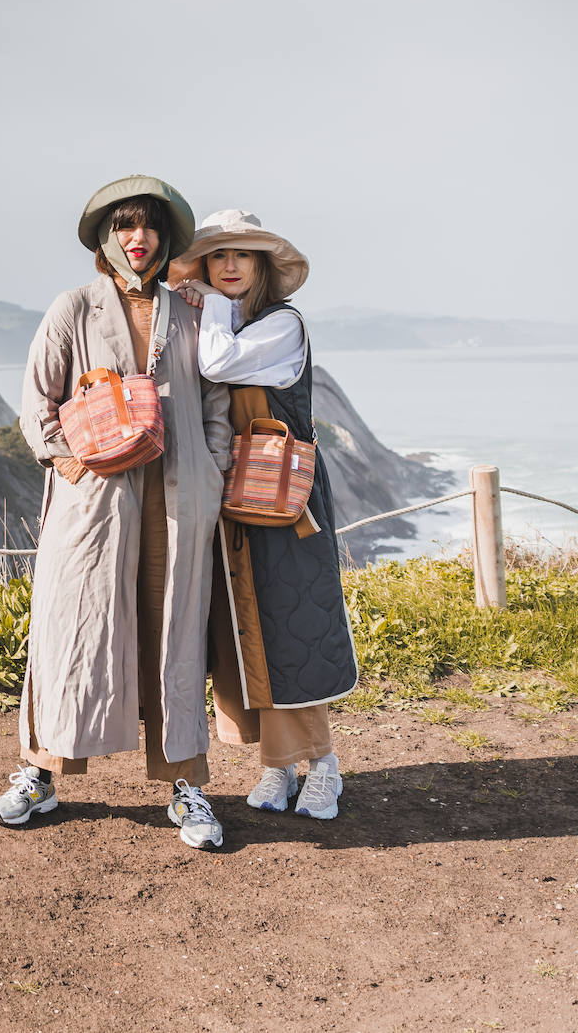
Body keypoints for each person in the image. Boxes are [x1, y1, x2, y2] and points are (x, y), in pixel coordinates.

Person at [0, 176, 232, 849]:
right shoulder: (74, 308)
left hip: (177, 502)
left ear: (166, 238)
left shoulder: (192, 311)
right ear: (106, 237)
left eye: (151, 226)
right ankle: (40, 775)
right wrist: (70, 466)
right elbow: (37, 404)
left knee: (174, 636)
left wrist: (210, 472)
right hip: (95, 505)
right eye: (126, 225)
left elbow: (214, 404)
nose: (139, 237)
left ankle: (187, 788)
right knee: (71, 630)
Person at [174, 209, 358, 818]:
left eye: (241, 256)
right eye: (216, 257)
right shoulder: (232, 323)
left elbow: (216, 365)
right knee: (251, 632)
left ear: (261, 267)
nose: (228, 266)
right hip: (238, 498)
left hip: (286, 498)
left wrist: (206, 300)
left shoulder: (281, 326)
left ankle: (323, 765)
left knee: (295, 626)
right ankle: (279, 766)